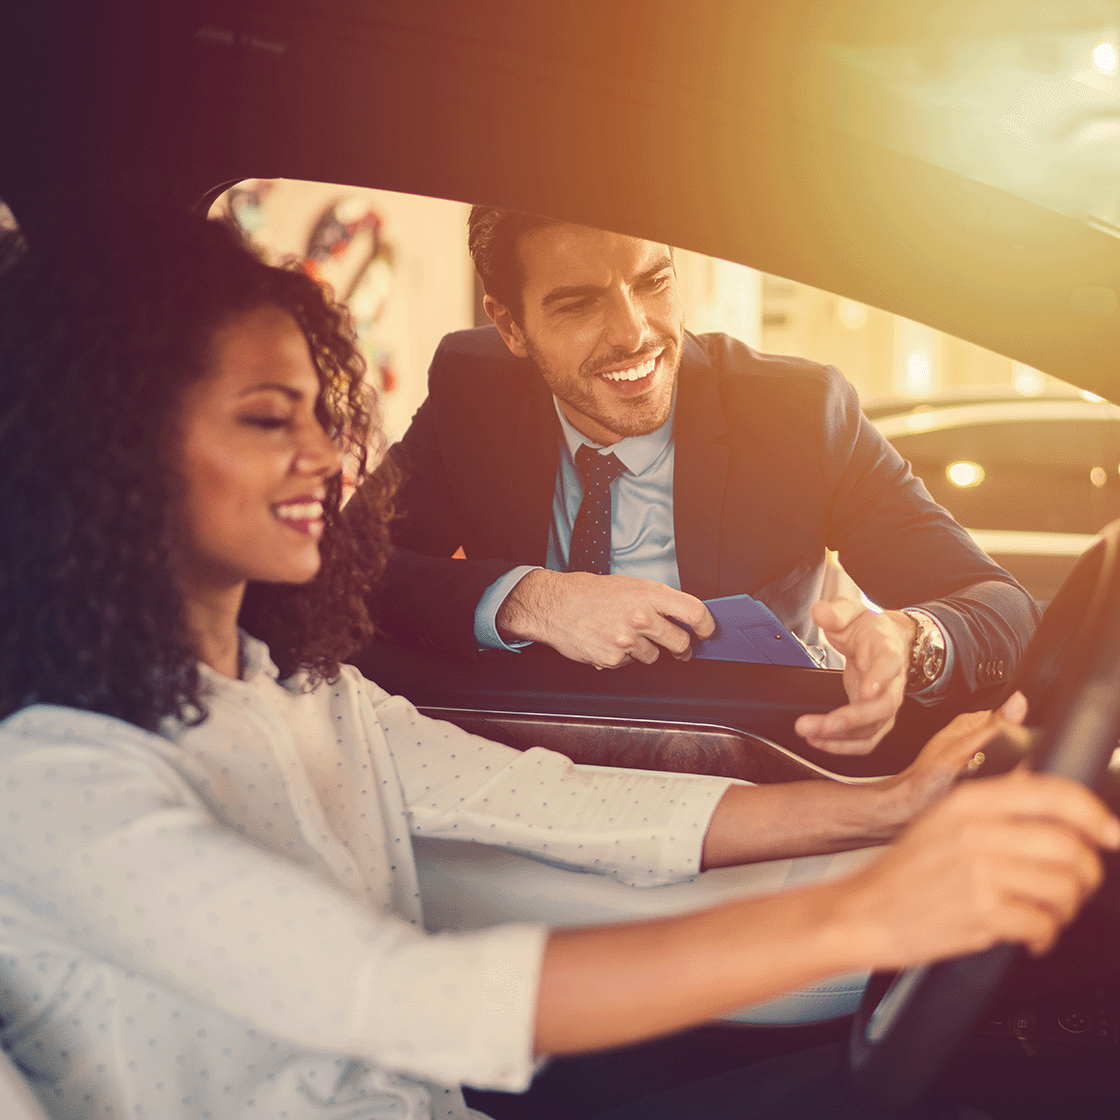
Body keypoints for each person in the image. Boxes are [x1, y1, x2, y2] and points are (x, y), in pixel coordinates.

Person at [0, 212, 1113, 1120]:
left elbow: (554, 796)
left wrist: (883, 803)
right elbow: (395, 991)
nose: (331, 456)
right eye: (264, 418)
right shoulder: (57, 783)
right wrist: (872, 914)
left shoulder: (297, 690)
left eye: (653, 280)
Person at [371, 210, 1041, 755]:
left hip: (747, 762)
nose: (636, 333)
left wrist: (908, 641)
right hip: (527, 763)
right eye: (579, 305)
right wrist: (536, 601)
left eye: (653, 282)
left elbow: (1001, 607)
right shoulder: (470, 389)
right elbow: (346, 571)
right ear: (510, 325)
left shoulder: (797, 412)